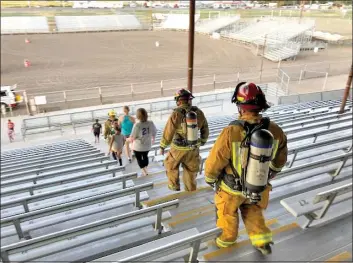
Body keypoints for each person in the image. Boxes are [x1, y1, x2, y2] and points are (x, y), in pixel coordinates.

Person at [204, 82, 288, 255]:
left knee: (227, 216)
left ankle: (225, 243)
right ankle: (262, 242)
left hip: (230, 190)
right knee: (254, 215)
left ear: (240, 107)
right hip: (258, 188)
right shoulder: (276, 131)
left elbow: (215, 161)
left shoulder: (231, 131)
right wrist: (266, 175)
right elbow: (280, 162)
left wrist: (210, 179)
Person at [160, 89, 209, 192]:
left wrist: (162, 146)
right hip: (193, 149)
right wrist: (203, 140)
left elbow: (168, 131)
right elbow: (205, 128)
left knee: (171, 166)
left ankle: (174, 189)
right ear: (189, 100)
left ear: (178, 101)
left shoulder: (176, 114)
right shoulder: (199, 112)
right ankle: (190, 192)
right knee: (191, 172)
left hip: (177, 149)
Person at [130, 108, 157, 176]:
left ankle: (144, 171)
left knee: (139, 158)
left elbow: (133, 136)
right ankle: (145, 169)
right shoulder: (151, 123)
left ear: (138, 116)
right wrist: (153, 138)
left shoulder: (137, 125)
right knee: (145, 156)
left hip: (138, 146)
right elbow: (154, 132)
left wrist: (128, 140)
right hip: (147, 145)